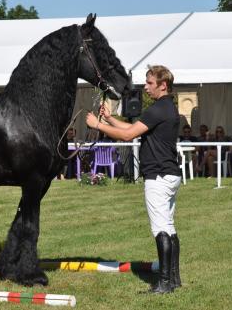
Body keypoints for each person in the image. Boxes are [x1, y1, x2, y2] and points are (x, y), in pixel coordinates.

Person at [86, 65, 181, 294]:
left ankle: (164, 283)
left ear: (163, 85)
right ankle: (173, 279)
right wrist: (109, 119)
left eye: (150, 83)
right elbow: (133, 128)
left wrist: (97, 125)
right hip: (169, 174)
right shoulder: (167, 108)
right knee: (169, 228)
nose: (145, 88)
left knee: (160, 229)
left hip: (158, 176)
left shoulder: (158, 109)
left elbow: (128, 135)